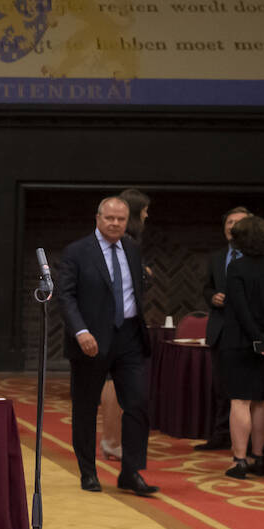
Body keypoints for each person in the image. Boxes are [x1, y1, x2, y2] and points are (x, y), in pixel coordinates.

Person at [56, 196, 158, 496]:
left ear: (127, 221)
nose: (115, 223)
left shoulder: (132, 248)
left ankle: (131, 472)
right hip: (91, 339)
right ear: (98, 218)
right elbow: (66, 296)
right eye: (109, 218)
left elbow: (134, 287)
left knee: (137, 403)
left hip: (129, 337)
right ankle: (88, 472)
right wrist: (80, 331)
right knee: (86, 408)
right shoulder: (77, 251)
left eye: (120, 219)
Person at [220, 214, 264, 478]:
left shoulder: (237, 268)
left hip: (239, 342)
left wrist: (256, 338)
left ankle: (239, 460)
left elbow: (240, 310)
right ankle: (258, 457)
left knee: (240, 400)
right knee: (261, 400)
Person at [100, 187, 153, 459]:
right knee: (114, 381)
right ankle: (111, 438)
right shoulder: (125, 242)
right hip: (117, 323)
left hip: (116, 322)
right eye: (144, 211)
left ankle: (113, 438)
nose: (146, 216)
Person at [196, 205, 253, 452]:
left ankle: (246, 440)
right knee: (220, 387)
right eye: (229, 223)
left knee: (245, 389)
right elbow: (207, 287)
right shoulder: (217, 257)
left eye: (238, 223)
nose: (233, 227)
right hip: (220, 329)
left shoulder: (258, 258)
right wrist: (212, 297)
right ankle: (221, 435)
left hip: (248, 331)